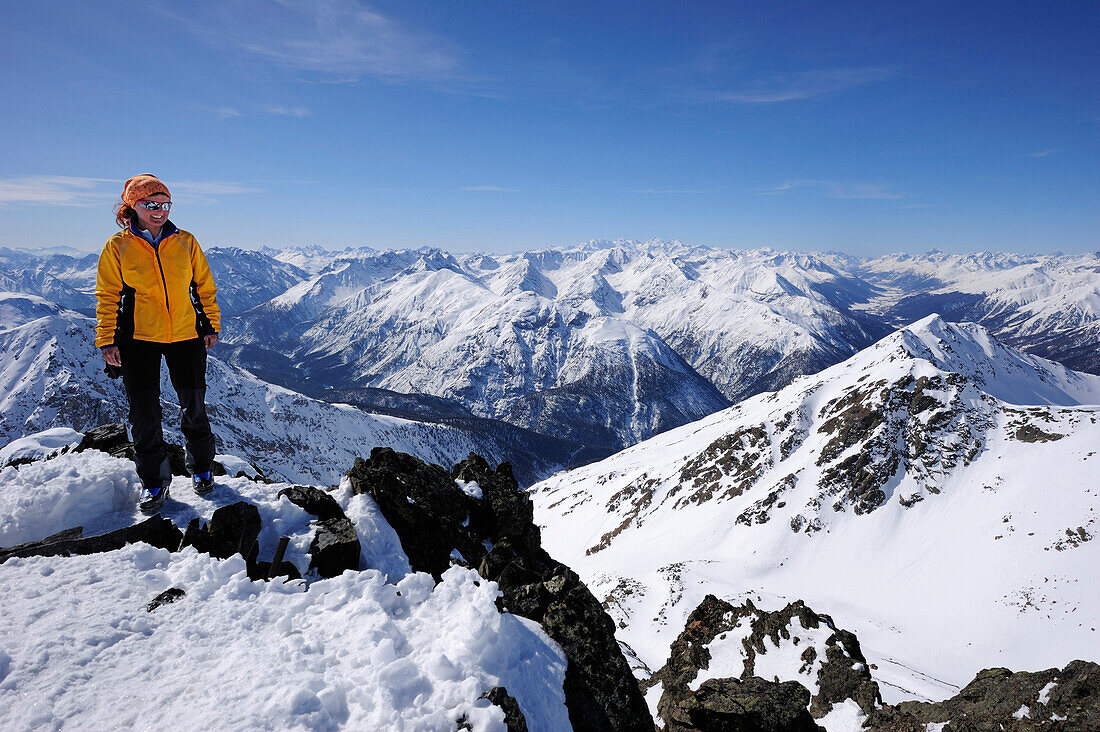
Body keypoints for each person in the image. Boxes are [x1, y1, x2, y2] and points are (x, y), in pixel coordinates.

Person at [95, 174, 221, 513]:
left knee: (193, 405)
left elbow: (203, 286)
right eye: (151, 204)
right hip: (138, 339)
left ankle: (202, 469)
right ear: (132, 206)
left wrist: (210, 324)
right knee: (145, 414)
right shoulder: (117, 247)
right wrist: (107, 340)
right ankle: (154, 482)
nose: (159, 210)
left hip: (185, 335)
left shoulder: (186, 242)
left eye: (165, 204)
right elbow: (107, 297)